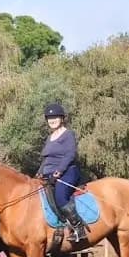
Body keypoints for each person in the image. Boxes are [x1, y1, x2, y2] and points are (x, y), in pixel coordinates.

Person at [35, 103, 86, 242]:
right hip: (49, 175)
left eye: (55, 117)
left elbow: (70, 155)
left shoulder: (67, 134)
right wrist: (39, 174)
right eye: (49, 118)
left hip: (68, 172)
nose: (52, 120)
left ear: (62, 118)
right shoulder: (49, 138)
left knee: (60, 196)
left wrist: (58, 172)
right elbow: (46, 159)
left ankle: (78, 227)